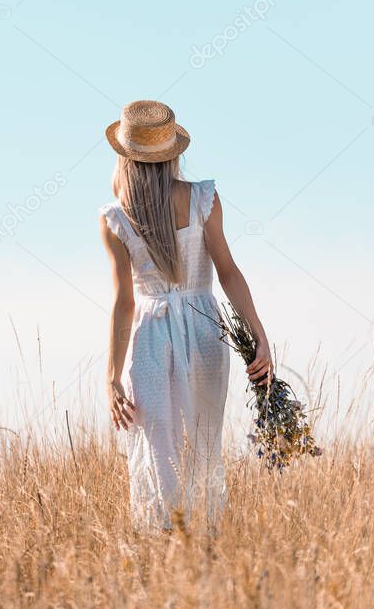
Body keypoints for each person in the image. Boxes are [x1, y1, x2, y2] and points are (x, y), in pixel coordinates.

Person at [99, 100, 271, 529]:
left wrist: (112, 376)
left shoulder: (115, 219)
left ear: (124, 155)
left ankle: (165, 541)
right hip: (204, 326)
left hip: (152, 335)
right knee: (203, 444)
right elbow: (228, 272)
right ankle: (204, 539)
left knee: (159, 446)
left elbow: (124, 302)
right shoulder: (202, 199)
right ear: (172, 152)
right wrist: (259, 335)